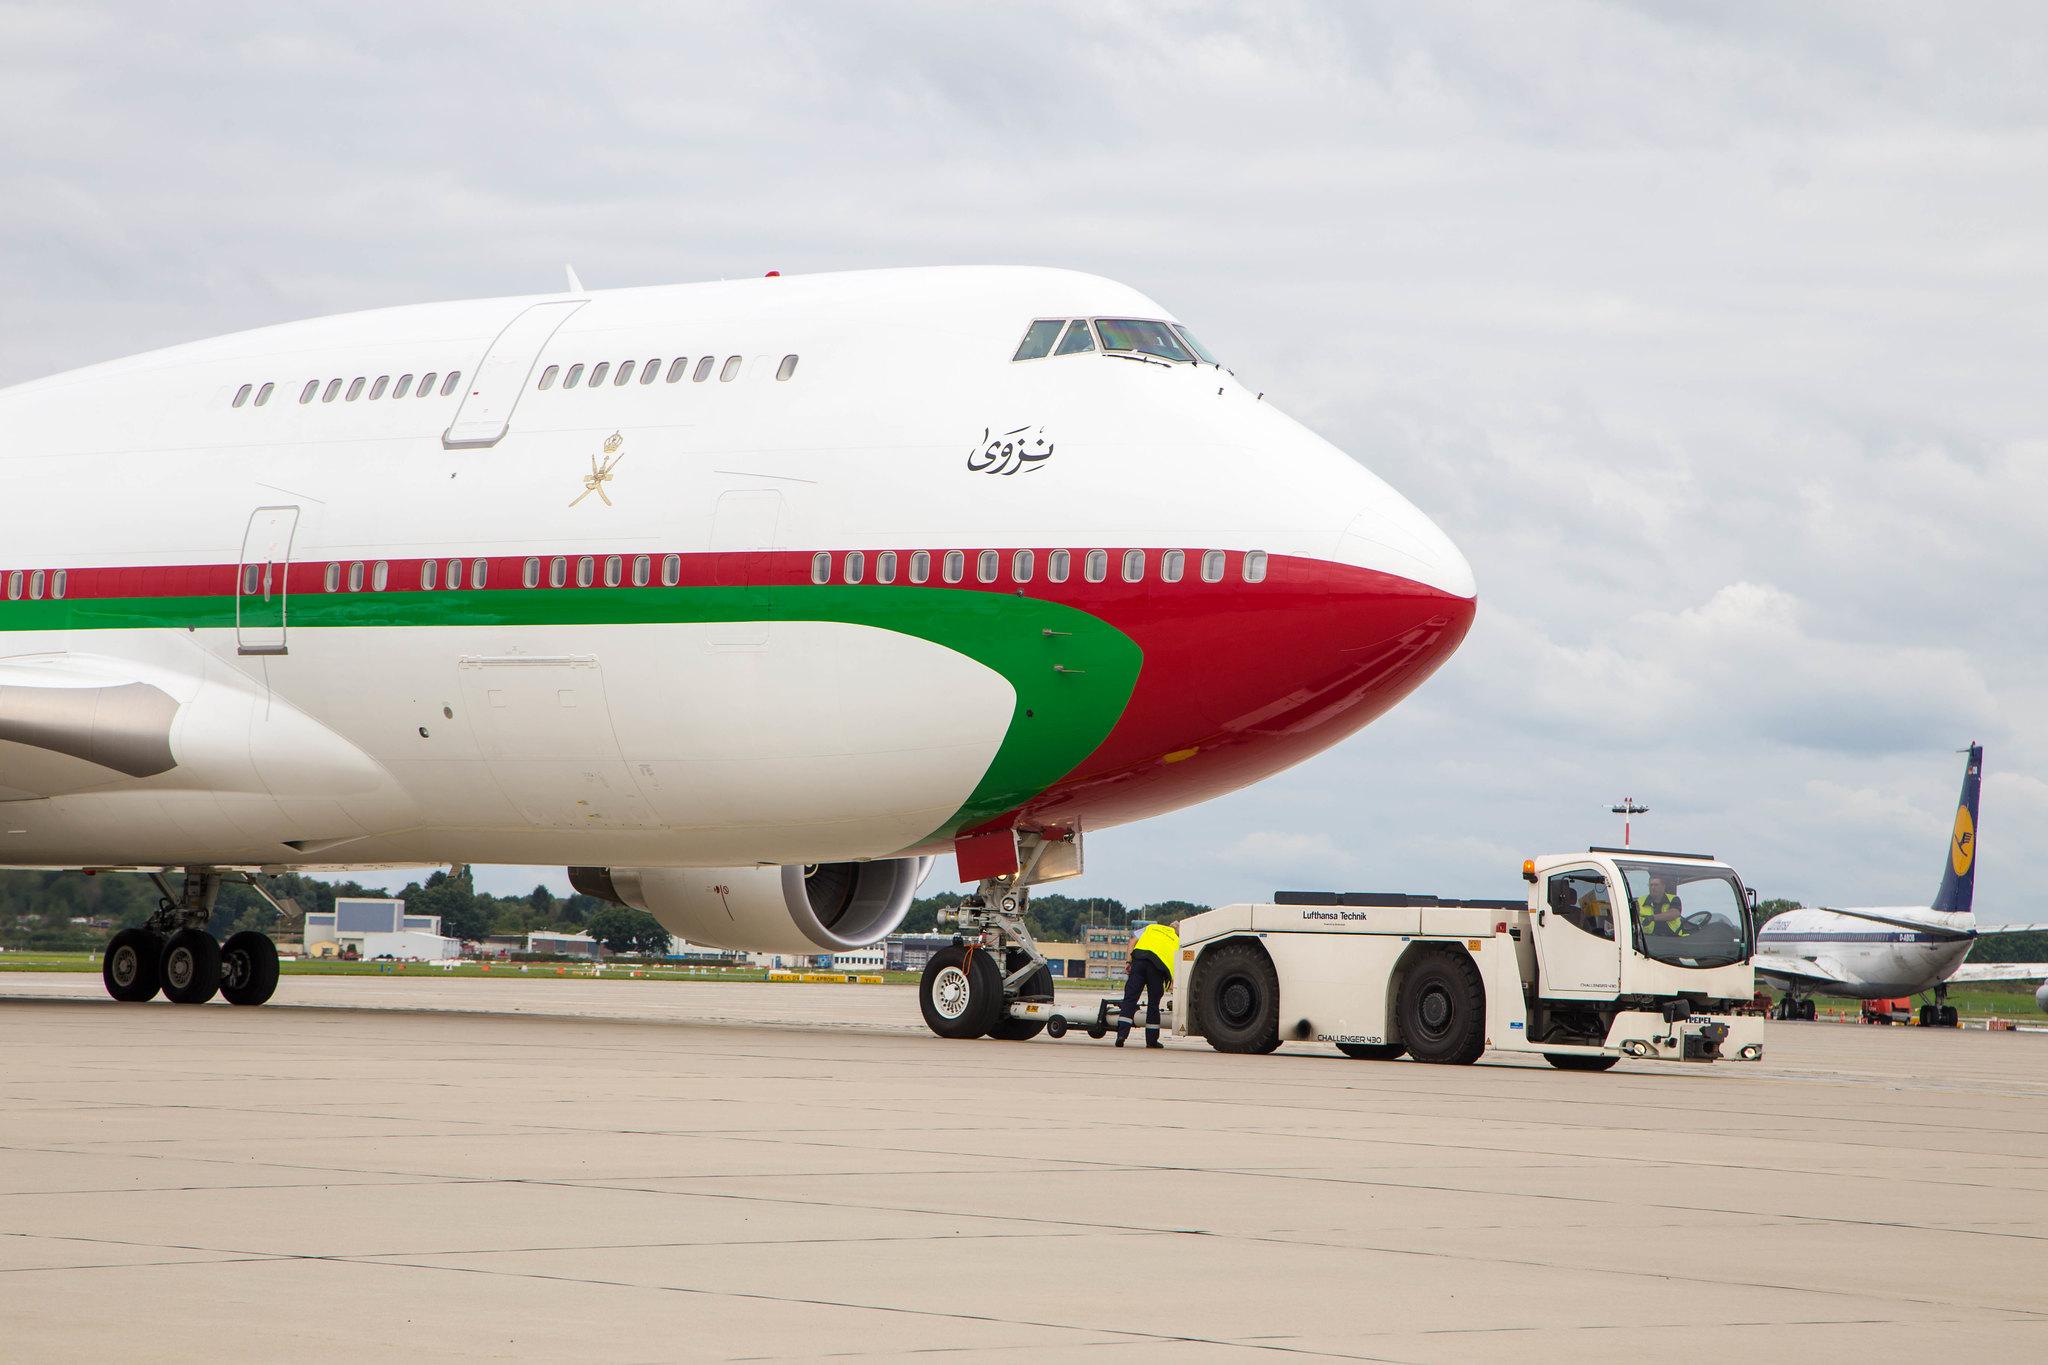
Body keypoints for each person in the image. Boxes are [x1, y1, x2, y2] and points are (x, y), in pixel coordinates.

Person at [1115, 920, 1179, 1048]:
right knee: (1153, 1004)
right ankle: (1151, 1041)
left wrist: (1128, 962)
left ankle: (1121, 1035)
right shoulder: (1177, 939)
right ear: (1177, 932)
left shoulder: (1152, 928)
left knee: (1130, 999)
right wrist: (1172, 982)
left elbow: (1132, 940)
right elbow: (1176, 962)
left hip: (1139, 961)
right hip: (1157, 968)